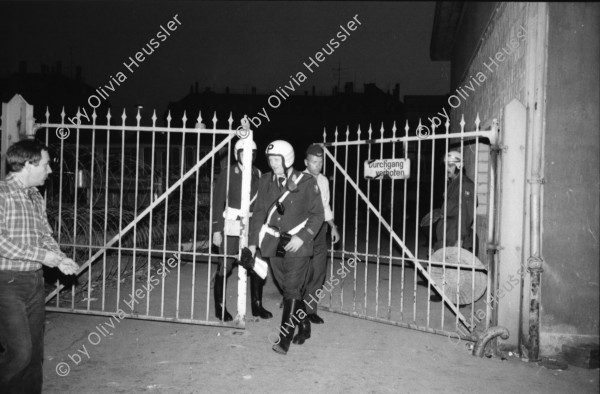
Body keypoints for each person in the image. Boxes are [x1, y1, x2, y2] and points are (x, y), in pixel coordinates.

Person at [0, 139, 79, 394]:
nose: (50, 170)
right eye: (45, 165)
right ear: (27, 164)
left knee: (34, 355)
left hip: (34, 282)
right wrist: (45, 257)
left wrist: (59, 257)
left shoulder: (34, 196)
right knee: (20, 354)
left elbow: (45, 235)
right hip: (6, 283)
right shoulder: (2, 194)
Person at [248, 140, 324, 355]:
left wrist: (302, 237)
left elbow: (317, 215)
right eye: (270, 160)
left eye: (277, 160)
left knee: (291, 288)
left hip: (297, 245)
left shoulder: (307, 182)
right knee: (288, 288)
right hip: (273, 243)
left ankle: (284, 338)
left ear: (287, 159)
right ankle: (305, 325)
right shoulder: (265, 181)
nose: (273, 164)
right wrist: (252, 244)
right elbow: (260, 213)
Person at [211, 138, 272, 321]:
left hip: (252, 224)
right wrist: (216, 230)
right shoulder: (228, 172)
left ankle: (256, 305)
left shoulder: (258, 173)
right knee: (226, 264)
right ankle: (220, 307)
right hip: (232, 222)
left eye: (251, 153)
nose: (248, 156)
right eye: (243, 153)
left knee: (256, 263)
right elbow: (217, 203)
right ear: (237, 153)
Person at [420, 150, 476, 301]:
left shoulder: (465, 185)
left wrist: (460, 239)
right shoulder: (454, 183)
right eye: (446, 165)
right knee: (442, 262)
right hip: (446, 229)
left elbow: (466, 214)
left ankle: (458, 298)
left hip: (455, 231)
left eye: (451, 165)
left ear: (460, 166)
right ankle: (439, 288)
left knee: (455, 268)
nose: (447, 169)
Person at [301, 144, 340, 325]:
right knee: (302, 271)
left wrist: (333, 226)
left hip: (320, 231)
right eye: (314, 162)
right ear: (306, 162)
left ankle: (310, 310)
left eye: (320, 162)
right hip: (302, 231)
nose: (318, 165)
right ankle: (296, 305)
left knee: (318, 272)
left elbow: (325, 206)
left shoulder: (324, 180)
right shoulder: (298, 180)